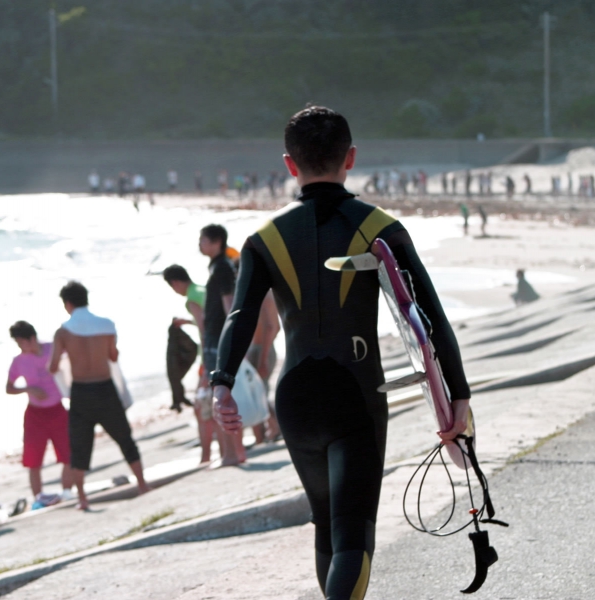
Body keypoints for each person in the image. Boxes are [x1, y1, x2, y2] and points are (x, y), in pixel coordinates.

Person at [210, 106, 470, 599]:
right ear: (350, 158)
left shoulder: (263, 239)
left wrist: (221, 382)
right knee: (353, 531)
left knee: (326, 524)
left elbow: (239, 317)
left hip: (296, 398)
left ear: (290, 165)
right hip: (355, 395)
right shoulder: (380, 227)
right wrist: (458, 393)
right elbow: (428, 316)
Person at [49, 281, 149, 509]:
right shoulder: (106, 325)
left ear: (67, 303)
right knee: (125, 438)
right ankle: (142, 484)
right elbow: (113, 357)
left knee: (79, 446)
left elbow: (53, 366)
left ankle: (82, 499)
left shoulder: (63, 332)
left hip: (81, 392)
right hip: (105, 388)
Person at [6, 321, 73, 509]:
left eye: (22, 342)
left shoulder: (52, 348)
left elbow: (73, 358)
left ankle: (67, 492)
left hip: (58, 409)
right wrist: (29, 389)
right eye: (18, 344)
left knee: (69, 454)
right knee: (33, 460)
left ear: (32, 338)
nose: (20, 347)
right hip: (35, 414)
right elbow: (9, 388)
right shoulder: (19, 361)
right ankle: (39, 498)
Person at [199, 224, 246, 466]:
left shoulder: (222, 267)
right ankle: (233, 453)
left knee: (220, 396)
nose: (199, 244)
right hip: (218, 337)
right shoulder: (220, 266)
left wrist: (233, 338)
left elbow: (229, 304)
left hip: (218, 339)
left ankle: (230, 455)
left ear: (216, 241)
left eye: (203, 239)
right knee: (223, 395)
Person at [162, 265, 204, 413]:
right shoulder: (202, 289)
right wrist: (188, 322)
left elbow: (205, 329)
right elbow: (209, 320)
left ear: (174, 283)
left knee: (201, 408)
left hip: (212, 354)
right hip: (227, 347)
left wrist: (205, 361)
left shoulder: (191, 299)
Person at [244, 291, 282, 443]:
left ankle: (276, 428)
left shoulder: (265, 294)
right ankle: (269, 431)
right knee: (258, 392)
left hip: (262, 349)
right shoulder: (263, 292)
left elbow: (272, 326)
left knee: (260, 393)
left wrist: (263, 357)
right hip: (257, 348)